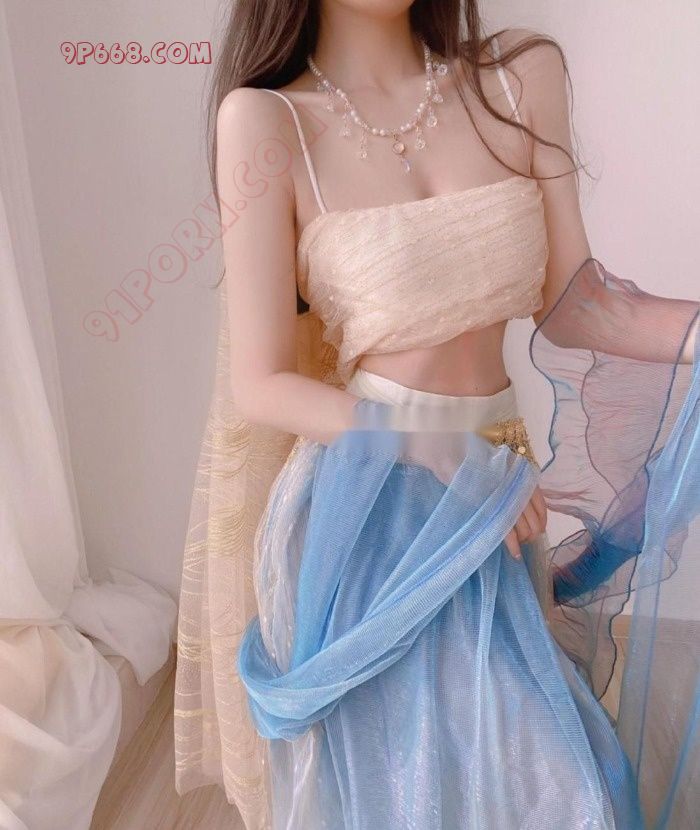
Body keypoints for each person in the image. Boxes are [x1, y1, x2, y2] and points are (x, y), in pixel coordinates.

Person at [174, 2, 700, 828]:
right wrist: (439, 450)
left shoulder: (518, 79)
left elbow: (581, 307)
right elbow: (263, 382)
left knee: (548, 787)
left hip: (501, 490)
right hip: (372, 509)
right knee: (421, 794)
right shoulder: (266, 121)